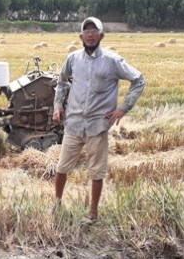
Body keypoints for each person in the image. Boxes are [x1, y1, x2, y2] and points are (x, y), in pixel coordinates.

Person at [52, 17, 145, 225]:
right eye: (87, 31)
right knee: (62, 167)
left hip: (97, 125)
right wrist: (58, 106)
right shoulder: (73, 59)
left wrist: (123, 108)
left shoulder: (113, 61)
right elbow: (61, 82)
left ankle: (93, 212)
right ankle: (56, 204)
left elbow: (139, 80)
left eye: (95, 31)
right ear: (81, 36)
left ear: (101, 36)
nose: (91, 34)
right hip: (74, 123)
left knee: (96, 170)